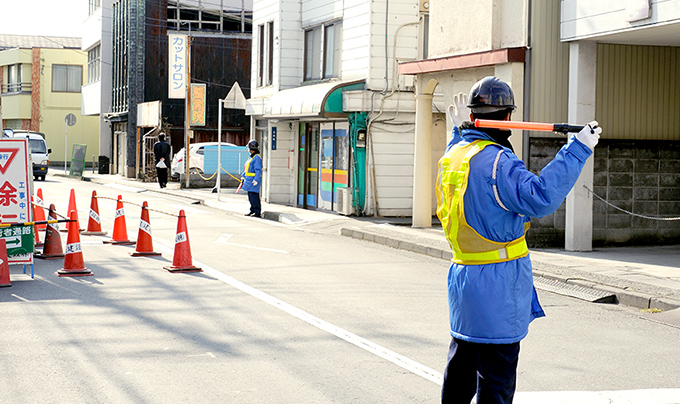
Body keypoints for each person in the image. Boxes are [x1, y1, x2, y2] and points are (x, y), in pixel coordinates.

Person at [437, 76, 601, 403]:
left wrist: (457, 132)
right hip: (497, 287)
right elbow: (540, 197)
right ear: (509, 117)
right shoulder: (499, 162)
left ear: (473, 115)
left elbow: (461, 158)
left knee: (460, 373)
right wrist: (578, 149)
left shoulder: (456, 154)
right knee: (495, 383)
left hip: (464, 284)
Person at [241, 139, 263, 217]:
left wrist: (256, 180)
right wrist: (243, 176)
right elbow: (247, 168)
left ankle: (257, 212)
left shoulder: (256, 158)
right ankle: (252, 210)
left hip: (253, 180)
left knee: (254, 196)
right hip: (249, 180)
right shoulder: (252, 157)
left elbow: (258, 169)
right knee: (251, 196)